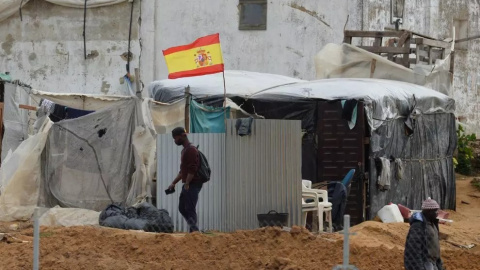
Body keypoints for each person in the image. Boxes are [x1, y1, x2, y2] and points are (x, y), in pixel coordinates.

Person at [168, 127, 203, 233]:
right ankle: (194, 230)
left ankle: (194, 233)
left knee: (190, 209)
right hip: (188, 184)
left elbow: (193, 168)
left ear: (183, 135)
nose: (175, 141)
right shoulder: (185, 150)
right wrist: (173, 183)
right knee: (182, 208)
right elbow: (182, 171)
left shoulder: (191, 149)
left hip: (193, 184)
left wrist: (187, 183)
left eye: (176, 138)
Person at [404, 197, 444, 270]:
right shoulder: (418, 226)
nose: (437, 213)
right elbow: (413, 250)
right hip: (425, 264)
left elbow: (435, 248)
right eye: (435, 211)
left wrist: (439, 264)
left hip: (433, 264)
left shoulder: (433, 224)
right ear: (429, 212)